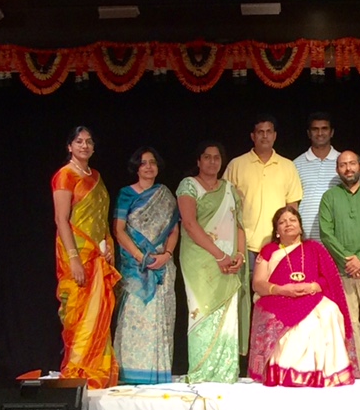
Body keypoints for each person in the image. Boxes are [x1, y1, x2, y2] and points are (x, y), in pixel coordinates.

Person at [248, 206, 360, 387]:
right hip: (277, 298)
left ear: (301, 227)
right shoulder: (269, 251)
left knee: (329, 311)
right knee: (304, 322)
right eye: (282, 222)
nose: (288, 224)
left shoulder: (314, 248)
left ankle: (324, 372)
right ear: (276, 231)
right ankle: (288, 372)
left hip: (311, 296)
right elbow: (258, 283)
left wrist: (313, 286)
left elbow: (329, 279)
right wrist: (283, 290)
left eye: (292, 220)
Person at [51, 125, 121, 389]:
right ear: (69, 146)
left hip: (97, 254)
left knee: (99, 312)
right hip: (76, 253)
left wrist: (108, 246)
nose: (84, 146)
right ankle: (79, 371)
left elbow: (102, 217)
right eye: (79, 141)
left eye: (89, 142)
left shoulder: (96, 176)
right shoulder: (65, 176)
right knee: (78, 313)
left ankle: (98, 372)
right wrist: (74, 259)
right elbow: (61, 219)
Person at [176, 141, 250, 383]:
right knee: (202, 312)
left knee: (227, 316)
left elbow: (239, 225)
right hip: (200, 259)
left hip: (229, 261)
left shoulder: (230, 189)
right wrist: (218, 255)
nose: (212, 162)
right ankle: (201, 372)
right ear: (198, 161)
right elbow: (189, 223)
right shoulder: (189, 186)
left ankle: (225, 373)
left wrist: (239, 255)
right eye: (206, 157)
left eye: (216, 157)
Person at [112, 147, 180, 384]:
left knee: (160, 317)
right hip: (135, 267)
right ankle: (131, 373)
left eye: (152, 162)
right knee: (135, 317)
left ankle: (158, 373)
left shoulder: (165, 195)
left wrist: (167, 254)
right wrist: (141, 257)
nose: (148, 167)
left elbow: (174, 230)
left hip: (162, 265)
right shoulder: (126, 194)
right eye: (143, 163)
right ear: (136, 168)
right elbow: (118, 231)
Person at [319, 151, 360, 379]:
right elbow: (326, 234)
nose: (348, 169)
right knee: (349, 322)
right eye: (343, 165)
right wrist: (348, 260)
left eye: (352, 164)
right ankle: (354, 368)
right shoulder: (330, 197)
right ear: (337, 170)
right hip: (343, 271)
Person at [223, 114, 303, 266]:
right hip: (243, 245)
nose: (265, 136)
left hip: (278, 244)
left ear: (275, 136)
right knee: (246, 289)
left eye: (269, 132)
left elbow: (292, 208)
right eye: (260, 132)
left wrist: (290, 241)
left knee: (276, 289)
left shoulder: (288, 166)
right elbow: (225, 206)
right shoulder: (237, 165)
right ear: (253, 136)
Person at [293, 112, 341, 241]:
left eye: (324, 128)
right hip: (306, 236)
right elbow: (292, 203)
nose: (320, 133)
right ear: (309, 133)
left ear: (332, 132)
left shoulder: (344, 163)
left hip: (336, 238)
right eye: (315, 129)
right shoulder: (296, 164)